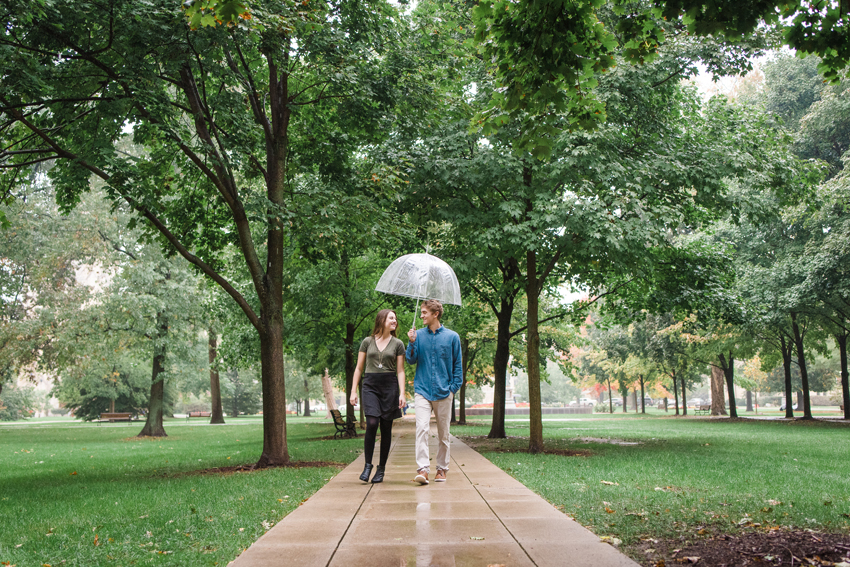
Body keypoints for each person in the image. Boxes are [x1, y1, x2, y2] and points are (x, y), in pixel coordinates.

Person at [406, 299, 463, 485]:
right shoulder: (418, 335)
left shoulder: (452, 337)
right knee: (421, 429)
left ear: (435, 314)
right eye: (421, 312)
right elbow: (411, 360)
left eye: (424, 312)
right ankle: (423, 469)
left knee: (443, 433)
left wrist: (452, 389)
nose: (421, 315)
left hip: (444, 391)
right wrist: (411, 342)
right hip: (422, 390)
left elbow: (457, 367)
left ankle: (441, 469)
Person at [350, 309, 406, 483]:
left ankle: (381, 469)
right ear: (381, 320)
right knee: (372, 423)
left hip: (389, 386)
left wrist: (402, 393)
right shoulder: (367, 342)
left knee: (386, 428)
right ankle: (368, 465)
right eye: (391, 318)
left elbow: (401, 370)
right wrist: (353, 390)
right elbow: (359, 368)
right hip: (370, 385)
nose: (394, 321)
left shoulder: (398, 344)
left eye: (395, 319)